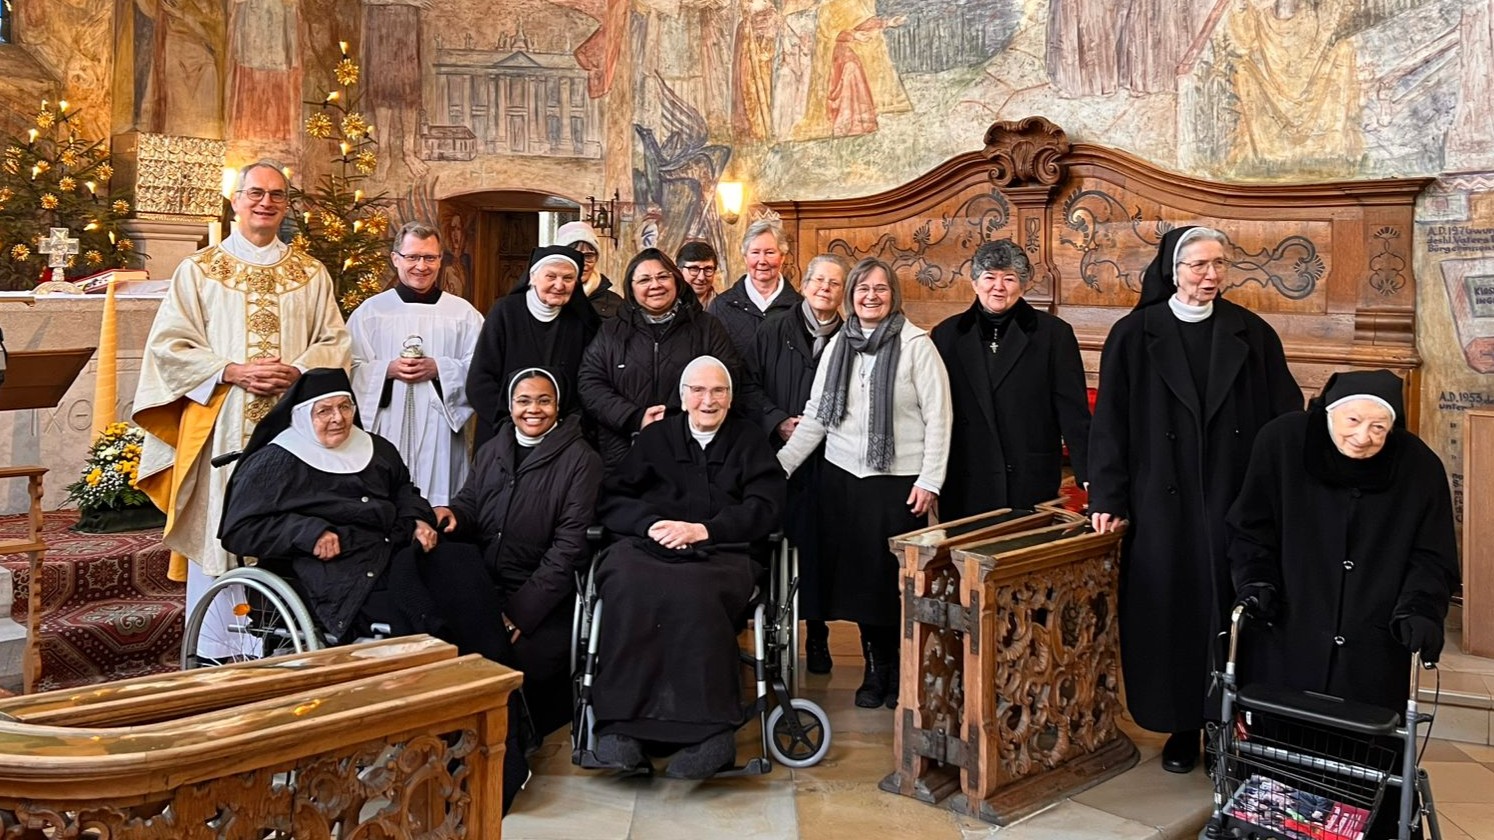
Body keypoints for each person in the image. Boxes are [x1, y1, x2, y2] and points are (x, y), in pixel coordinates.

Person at [217, 367, 529, 812]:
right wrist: (307, 533)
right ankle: (443, 758)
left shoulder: (375, 448)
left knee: (464, 570)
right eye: (324, 411)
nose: (338, 419)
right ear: (304, 416)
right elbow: (239, 529)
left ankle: (504, 738)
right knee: (425, 618)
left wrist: (420, 518)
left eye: (345, 407)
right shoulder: (277, 459)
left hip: (395, 547)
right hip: (337, 570)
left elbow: (404, 489)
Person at [1088, 225, 1302, 774]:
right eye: (1199, 266)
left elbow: (1284, 420)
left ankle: (1227, 725)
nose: (1211, 276)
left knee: (1234, 613)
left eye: (1219, 265)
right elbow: (1109, 424)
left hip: (1235, 497)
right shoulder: (1134, 334)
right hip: (1161, 501)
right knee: (1171, 613)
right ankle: (1183, 726)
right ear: (1172, 270)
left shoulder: (1252, 334)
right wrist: (1107, 497)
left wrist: (1279, 494)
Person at [1227, 370, 1457, 840]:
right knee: (1282, 757)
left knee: (1366, 763)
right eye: (1353, 420)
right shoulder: (1282, 444)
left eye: (1379, 427)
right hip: (1289, 632)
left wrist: (1420, 608)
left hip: (1373, 644)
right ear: (1329, 410)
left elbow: (1433, 558)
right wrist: (1256, 581)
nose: (1363, 437)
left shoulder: (1419, 468)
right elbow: (1250, 530)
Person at [133, 160, 349, 651]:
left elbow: (336, 341)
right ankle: (215, 653)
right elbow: (169, 347)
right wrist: (232, 371)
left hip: (294, 428)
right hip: (222, 422)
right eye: (256, 193)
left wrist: (297, 370)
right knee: (221, 533)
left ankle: (281, 650)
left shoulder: (310, 273)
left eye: (276, 195)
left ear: (286, 205)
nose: (265, 202)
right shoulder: (200, 270)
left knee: (289, 526)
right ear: (236, 200)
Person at [589, 356, 784, 778]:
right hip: (649, 548)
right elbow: (613, 497)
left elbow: (766, 507)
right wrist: (651, 524)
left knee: (696, 595)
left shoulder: (749, 441)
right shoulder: (657, 437)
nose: (707, 400)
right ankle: (621, 730)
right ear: (683, 396)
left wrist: (705, 530)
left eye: (718, 391)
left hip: (722, 552)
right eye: (698, 390)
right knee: (625, 584)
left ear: (730, 398)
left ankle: (711, 734)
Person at [778, 257, 951, 709]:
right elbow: (817, 415)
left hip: (898, 483)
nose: (870, 296)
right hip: (843, 480)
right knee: (858, 583)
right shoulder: (839, 345)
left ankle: (900, 671)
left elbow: (940, 419)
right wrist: (780, 467)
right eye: (862, 289)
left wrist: (930, 480)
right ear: (851, 296)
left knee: (889, 583)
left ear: (894, 294)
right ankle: (875, 671)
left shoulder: (917, 346)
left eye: (880, 289)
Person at [434, 367, 603, 737]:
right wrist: (453, 515)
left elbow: (569, 551)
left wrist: (519, 615)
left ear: (558, 406)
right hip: (486, 585)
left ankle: (501, 757)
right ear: (510, 405)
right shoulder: (495, 447)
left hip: (545, 600)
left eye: (544, 400)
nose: (534, 410)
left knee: (512, 665)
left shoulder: (581, 461)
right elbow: (470, 504)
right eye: (523, 400)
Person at [931, 239, 1091, 521]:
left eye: (1010, 278)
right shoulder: (946, 334)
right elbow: (933, 413)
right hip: (966, 476)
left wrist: (1090, 475)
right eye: (989, 277)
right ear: (974, 283)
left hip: (1027, 475)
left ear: (1024, 284)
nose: (998, 287)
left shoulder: (1054, 335)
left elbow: (1073, 412)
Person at [751, 253, 848, 675]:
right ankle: (770, 636)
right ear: (804, 284)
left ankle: (818, 634)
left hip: (830, 460)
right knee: (777, 546)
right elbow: (747, 386)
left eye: (834, 283)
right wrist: (777, 420)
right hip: (779, 456)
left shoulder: (851, 338)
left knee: (821, 548)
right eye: (819, 281)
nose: (825, 288)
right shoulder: (772, 329)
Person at [347, 221, 484, 506]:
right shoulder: (371, 313)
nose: (421, 266)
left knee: (439, 501)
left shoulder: (463, 314)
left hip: (441, 429)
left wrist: (440, 369)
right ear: (396, 258)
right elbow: (349, 367)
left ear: (440, 260)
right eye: (412, 257)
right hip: (387, 421)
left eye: (430, 258)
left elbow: (482, 368)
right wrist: (387, 369)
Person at [578, 247, 745, 469]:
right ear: (631, 288)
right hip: (624, 451)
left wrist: (674, 418)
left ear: (676, 281)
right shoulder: (611, 331)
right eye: (644, 280)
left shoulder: (706, 327)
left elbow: (729, 375)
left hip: (693, 449)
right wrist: (635, 417)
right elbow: (590, 383)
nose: (655, 285)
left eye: (663, 276)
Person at [466, 244, 599, 448]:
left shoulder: (582, 322)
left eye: (568, 278)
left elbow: (588, 383)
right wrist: (514, 424)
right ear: (533, 277)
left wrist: (566, 427)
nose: (559, 285)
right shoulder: (505, 312)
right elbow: (480, 380)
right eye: (551, 276)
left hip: (562, 439)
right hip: (504, 432)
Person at [709, 220, 803, 358]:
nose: (762, 260)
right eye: (755, 252)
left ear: (782, 257)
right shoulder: (721, 306)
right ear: (745, 257)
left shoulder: (800, 308)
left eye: (770, 252)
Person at [556, 221, 624, 319]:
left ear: (596, 258)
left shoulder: (615, 303)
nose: (582, 263)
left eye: (588, 256)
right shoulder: (547, 297)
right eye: (574, 255)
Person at [676, 239, 722, 309]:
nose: (701, 277)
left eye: (708, 269)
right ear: (679, 271)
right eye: (694, 269)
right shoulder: (666, 308)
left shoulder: (726, 310)